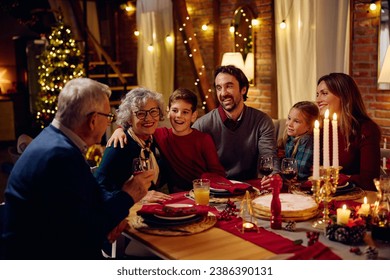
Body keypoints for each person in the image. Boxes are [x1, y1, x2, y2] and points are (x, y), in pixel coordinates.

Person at [2, 78, 155, 259]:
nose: (109, 124)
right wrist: (128, 195)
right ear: (93, 120)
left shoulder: (51, 139)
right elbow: (85, 232)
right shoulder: (60, 156)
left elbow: (81, 205)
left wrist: (113, 218)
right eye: (108, 117)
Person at [106, 88, 226, 193]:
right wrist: (120, 130)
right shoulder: (159, 134)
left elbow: (219, 174)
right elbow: (136, 126)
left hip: (204, 193)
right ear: (168, 112)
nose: (179, 115)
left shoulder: (203, 139)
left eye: (185, 112)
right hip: (177, 197)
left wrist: (203, 181)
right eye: (175, 110)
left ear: (193, 116)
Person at [192, 65, 279, 182]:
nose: (223, 93)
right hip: (215, 190)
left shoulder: (262, 121)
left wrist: (273, 177)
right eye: (219, 88)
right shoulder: (202, 125)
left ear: (243, 89)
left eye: (229, 86)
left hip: (251, 188)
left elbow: (268, 158)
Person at [94, 88, 171, 201]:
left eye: (153, 111)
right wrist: (139, 196)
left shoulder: (150, 140)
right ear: (129, 119)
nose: (148, 118)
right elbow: (98, 189)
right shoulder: (119, 145)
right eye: (140, 113)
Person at [316, 72, 381, 191]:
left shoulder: (366, 128)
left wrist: (340, 178)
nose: (318, 100)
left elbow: (370, 180)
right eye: (317, 94)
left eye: (324, 93)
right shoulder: (320, 127)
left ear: (343, 95)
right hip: (324, 193)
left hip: (356, 196)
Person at [277, 101, 319, 182]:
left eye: (296, 121)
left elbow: (299, 173)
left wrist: (280, 174)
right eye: (289, 118)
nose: (289, 124)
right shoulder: (289, 138)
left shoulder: (307, 140)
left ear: (309, 126)